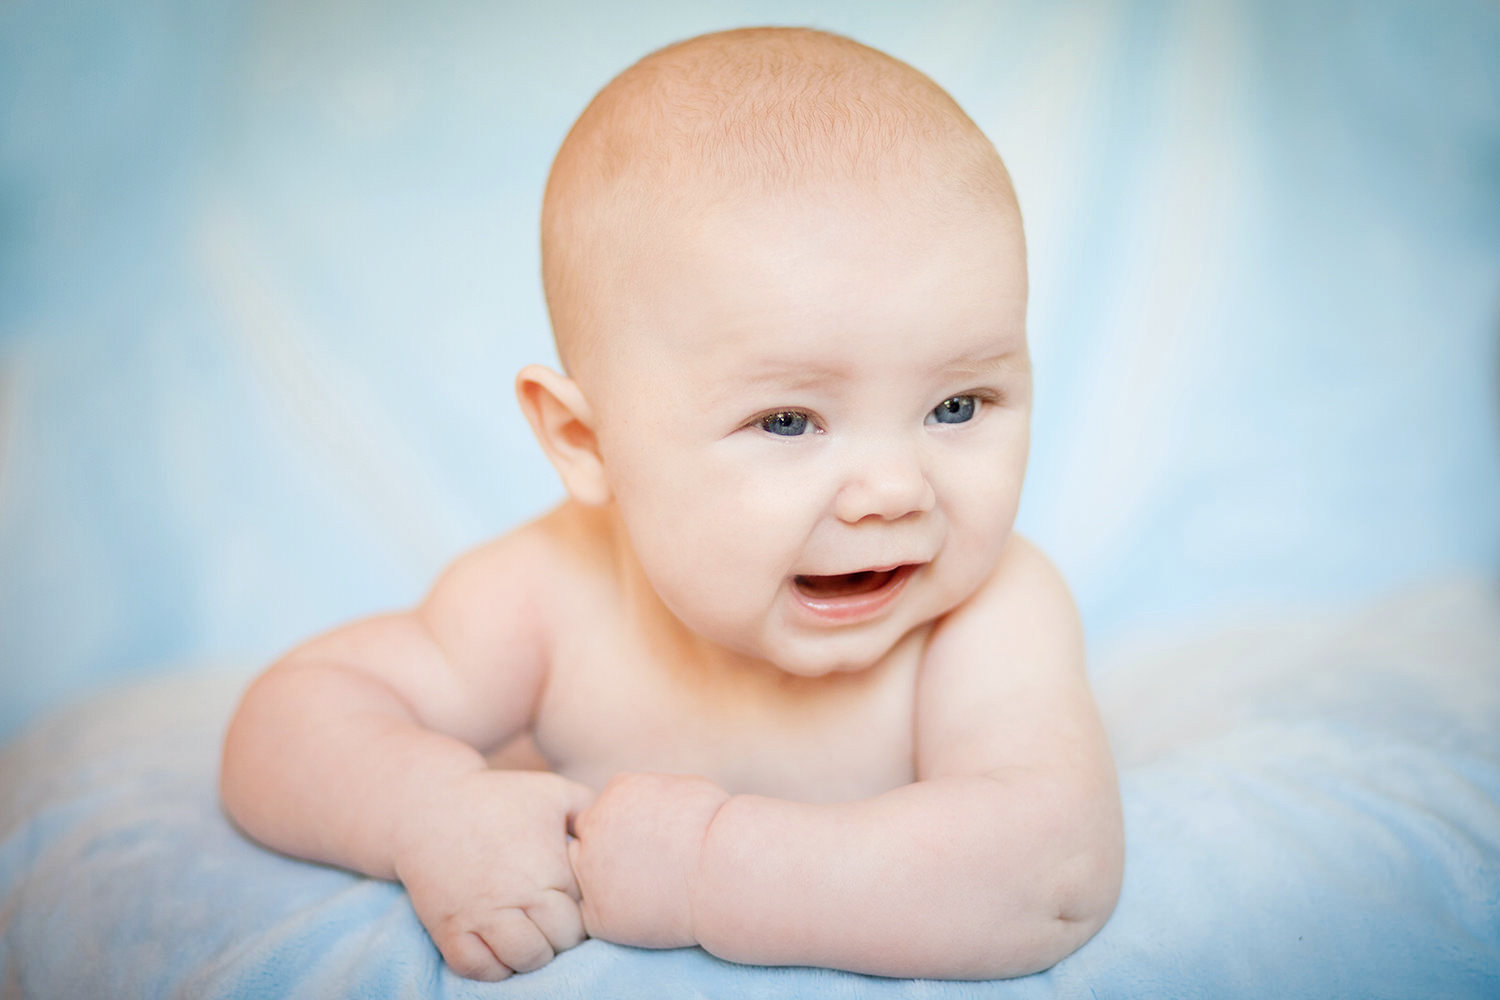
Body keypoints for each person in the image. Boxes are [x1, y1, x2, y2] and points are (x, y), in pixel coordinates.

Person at [220, 25, 1124, 983]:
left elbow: (1050, 873)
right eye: (788, 420)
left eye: (955, 405)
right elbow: (286, 722)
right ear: (585, 441)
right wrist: (424, 808)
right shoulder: (550, 591)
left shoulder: (989, 615)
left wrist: (708, 870)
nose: (897, 491)